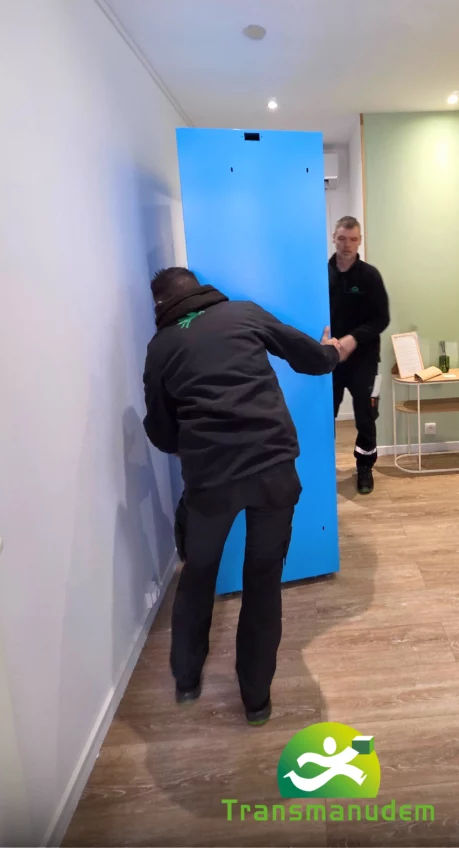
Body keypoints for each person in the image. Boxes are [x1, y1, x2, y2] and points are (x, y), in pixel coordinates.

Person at [142, 266, 342, 725]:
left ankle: (187, 680)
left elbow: (160, 431)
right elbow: (309, 357)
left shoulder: (161, 347)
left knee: (198, 576)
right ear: (200, 291)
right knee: (263, 580)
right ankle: (256, 701)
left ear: (160, 306)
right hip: (272, 468)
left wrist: (192, 444)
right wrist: (331, 350)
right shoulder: (243, 313)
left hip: (210, 481)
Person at [329, 216, 390, 495]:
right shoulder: (321, 275)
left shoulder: (369, 276)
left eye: (353, 239)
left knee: (366, 415)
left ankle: (364, 467)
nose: (347, 245)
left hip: (365, 360)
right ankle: (322, 466)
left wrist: (353, 339)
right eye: (342, 238)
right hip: (329, 359)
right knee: (322, 414)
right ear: (334, 238)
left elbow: (382, 319)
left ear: (360, 241)